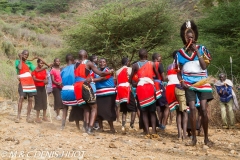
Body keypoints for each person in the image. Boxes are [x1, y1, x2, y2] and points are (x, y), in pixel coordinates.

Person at [175, 20, 213, 146]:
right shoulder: (180, 53)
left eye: (192, 37)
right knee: (191, 108)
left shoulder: (202, 49)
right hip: (188, 83)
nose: (190, 39)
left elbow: (203, 67)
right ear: (184, 38)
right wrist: (181, 82)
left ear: (195, 37)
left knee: (203, 109)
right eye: (187, 37)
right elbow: (178, 70)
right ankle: (194, 139)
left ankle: (206, 138)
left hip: (202, 82)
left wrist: (197, 51)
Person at [74, 50, 113, 134]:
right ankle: (90, 128)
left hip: (76, 87)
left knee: (86, 107)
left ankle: (86, 126)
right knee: (94, 107)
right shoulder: (88, 63)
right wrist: (109, 72)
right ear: (87, 56)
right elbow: (101, 73)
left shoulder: (76, 64)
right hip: (84, 85)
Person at [129, 48, 160, 139]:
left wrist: (136, 83)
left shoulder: (135, 65)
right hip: (150, 88)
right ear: (147, 55)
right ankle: (154, 131)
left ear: (139, 56)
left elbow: (130, 79)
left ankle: (146, 132)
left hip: (141, 89)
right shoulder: (152, 64)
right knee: (152, 111)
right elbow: (157, 76)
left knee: (144, 112)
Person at [166, 50, 188, 140]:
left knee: (178, 112)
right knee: (185, 112)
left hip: (170, 89)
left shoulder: (169, 66)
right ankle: (184, 135)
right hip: (179, 87)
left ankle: (179, 135)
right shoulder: (182, 65)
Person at [61, 54, 84, 130]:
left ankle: (62, 126)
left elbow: (61, 82)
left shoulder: (63, 69)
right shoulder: (76, 67)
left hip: (64, 90)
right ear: (73, 60)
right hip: (73, 89)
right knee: (76, 108)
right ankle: (78, 126)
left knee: (65, 108)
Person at [93, 58, 117, 133]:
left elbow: (103, 78)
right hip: (99, 93)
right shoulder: (97, 72)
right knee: (99, 111)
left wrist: (92, 80)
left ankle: (112, 128)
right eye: (100, 62)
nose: (102, 63)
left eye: (103, 62)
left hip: (109, 93)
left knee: (109, 110)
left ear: (106, 63)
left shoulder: (108, 71)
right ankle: (101, 127)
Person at [15, 50, 37, 123]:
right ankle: (18, 116)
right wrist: (21, 59)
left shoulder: (29, 63)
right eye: (25, 54)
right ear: (22, 54)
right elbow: (20, 68)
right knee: (21, 97)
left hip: (30, 82)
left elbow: (36, 70)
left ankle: (28, 117)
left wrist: (44, 67)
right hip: (22, 82)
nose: (26, 56)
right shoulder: (18, 62)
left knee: (30, 99)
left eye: (27, 55)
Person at [116, 57, 137, 132]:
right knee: (134, 108)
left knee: (124, 109)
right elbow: (132, 79)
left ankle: (123, 126)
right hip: (126, 89)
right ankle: (131, 125)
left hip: (120, 91)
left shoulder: (117, 71)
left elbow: (117, 82)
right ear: (127, 62)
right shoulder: (129, 69)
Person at [152, 53, 170, 130]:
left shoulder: (149, 64)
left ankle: (159, 123)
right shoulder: (159, 64)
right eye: (160, 56)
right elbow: (162, 77)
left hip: (152, 86)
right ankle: (163, 124)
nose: (161, 58)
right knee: (167, 106)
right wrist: (168, 77)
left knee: (159, 106)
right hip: (159, 85)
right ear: (156, 58)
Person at [32, 58, 51, 123]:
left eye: (43, 63)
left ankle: (44, 116)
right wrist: (43, 81)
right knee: (38, 101)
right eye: (40, 63)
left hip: (43, 87)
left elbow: (45, 77)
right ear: (37, 63)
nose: (42, 64)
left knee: (44, 101)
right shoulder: (35, 70)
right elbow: (34, 79)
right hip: (37, 87)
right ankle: (37, 117)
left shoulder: (44, 70)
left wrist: (46, 81)